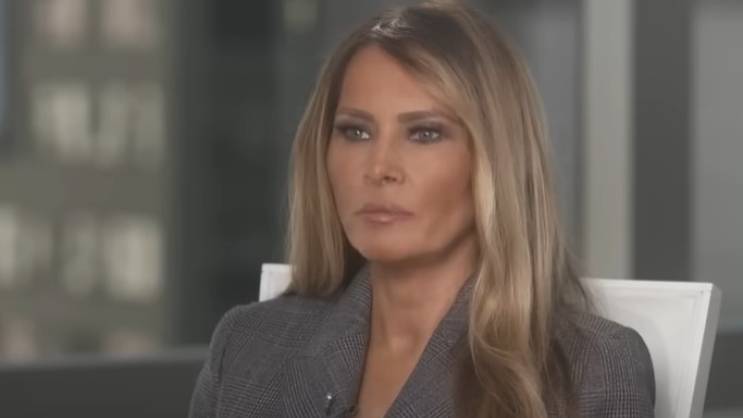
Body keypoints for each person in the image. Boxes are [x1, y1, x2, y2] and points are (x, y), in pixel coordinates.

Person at [188, 2, 655, 417]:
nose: (379, 168)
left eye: (424, 134)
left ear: (495, 160)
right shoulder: (247, 346)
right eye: (355, 132)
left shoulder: (590, 372)